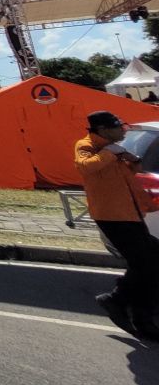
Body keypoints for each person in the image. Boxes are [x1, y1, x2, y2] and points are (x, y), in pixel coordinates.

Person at [75, 111, 159, 340]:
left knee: (149, 262)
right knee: (145, 266)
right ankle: (138, 316)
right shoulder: (86, 146)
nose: (123, 130)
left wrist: (133, 161)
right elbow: (86, 167)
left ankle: (119, 300)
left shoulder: (114, 147)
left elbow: (128, 176)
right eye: (118, 127)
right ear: (102, 130)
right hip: (112, 216)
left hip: (130, 212)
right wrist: (110, 153)